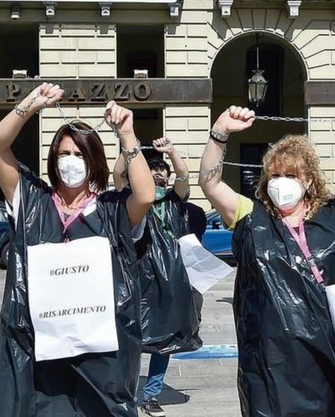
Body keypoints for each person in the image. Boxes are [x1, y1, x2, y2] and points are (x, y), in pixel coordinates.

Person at [198, 107, 335, 417]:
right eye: (275, 175)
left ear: (309, 181)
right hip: (269, 361)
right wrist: (219, 134)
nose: (281, 182)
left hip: (324, 356)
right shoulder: (249, 215)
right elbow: (210, 184)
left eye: (290, 175)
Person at [0, 83, 155, 416]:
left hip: (99, 357)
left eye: (80, 154)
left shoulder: (112, 210)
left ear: (93, 161)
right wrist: (30, 105)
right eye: (64, 154)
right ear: (53, 159)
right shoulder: (31, 201)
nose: (71, 162)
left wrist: (127, 136)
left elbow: (145, 195)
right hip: (40, 356)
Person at [114, 137, 201, 417]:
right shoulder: (134, 200)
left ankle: (151, 395)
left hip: (171, 279)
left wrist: (172, 152)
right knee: (131, 339)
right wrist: (129, 147)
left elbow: (185, 176)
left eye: (162, 170)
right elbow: (118, 175)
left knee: (166, 340)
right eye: (151, 170)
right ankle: (125, 394)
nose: (158, 173)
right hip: (138, 275)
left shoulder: (176, 201)